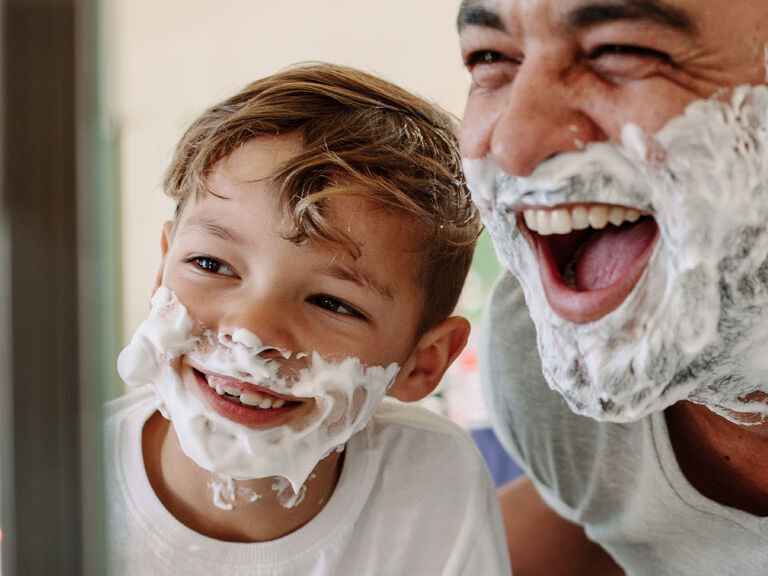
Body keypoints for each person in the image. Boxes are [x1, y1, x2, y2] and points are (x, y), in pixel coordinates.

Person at [106, 62, 511, 575]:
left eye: (332, 303)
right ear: (162, 269)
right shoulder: (48, 487)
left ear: (423, 363)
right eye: (211, 264)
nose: (250, 332)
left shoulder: (434, 480)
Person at [456, 0, 768, 574]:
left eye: (621, 50)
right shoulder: (539, 364)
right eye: (491, 58)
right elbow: (605, 518)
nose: (513, 144)